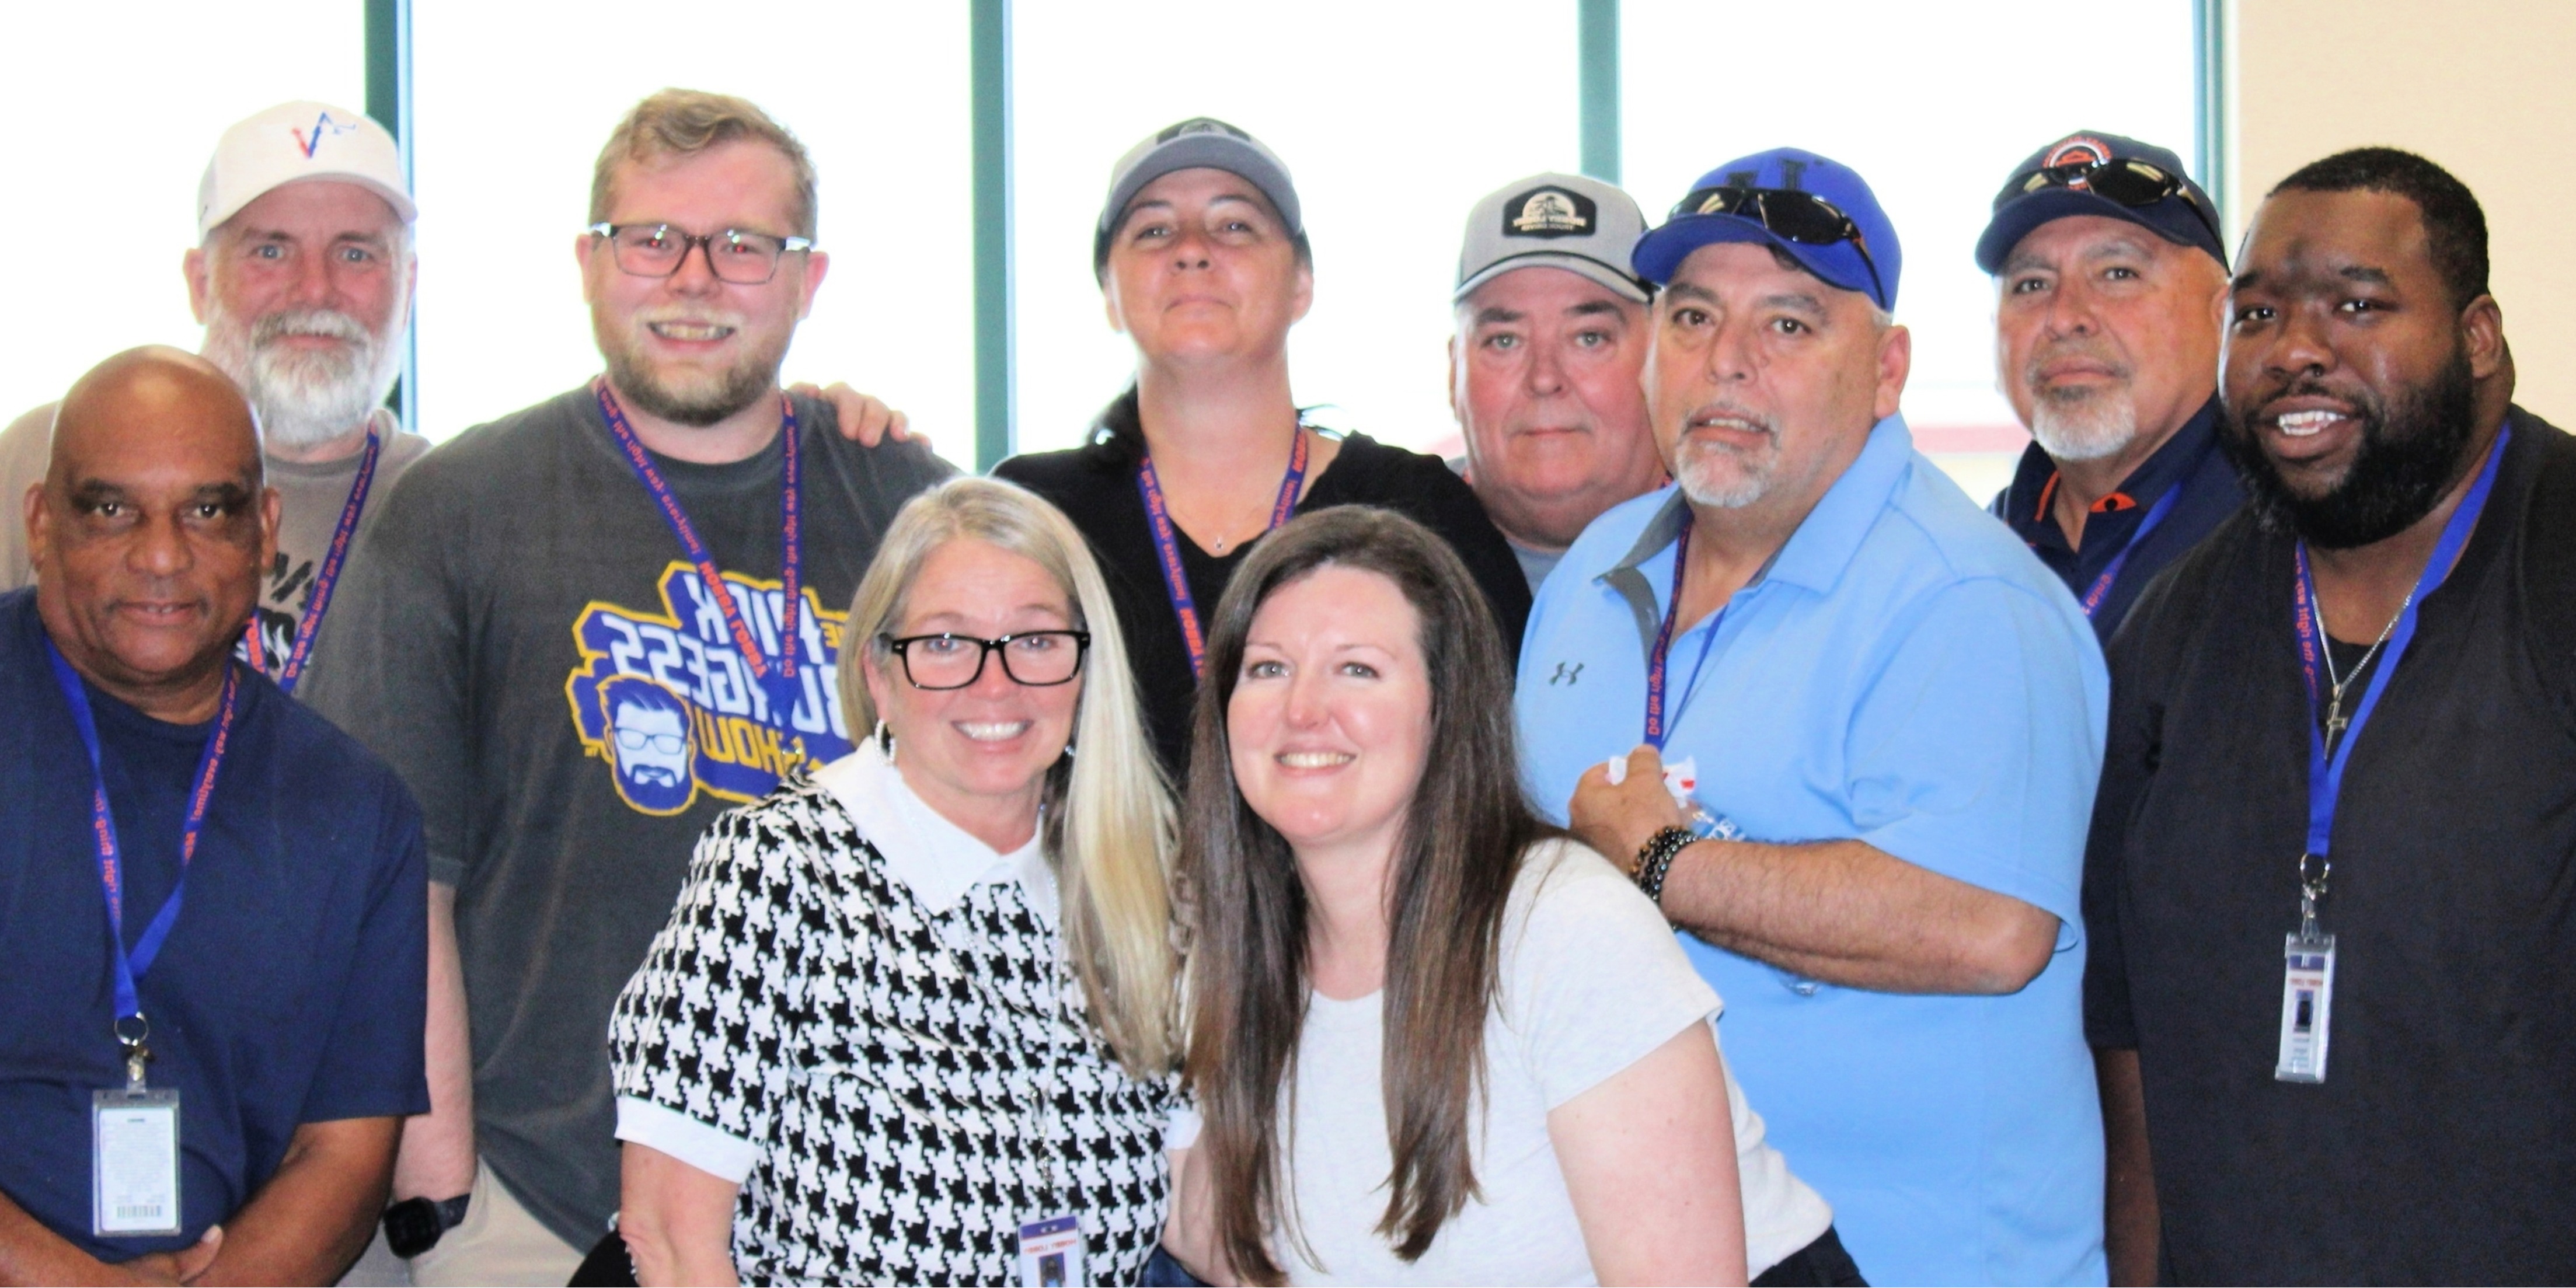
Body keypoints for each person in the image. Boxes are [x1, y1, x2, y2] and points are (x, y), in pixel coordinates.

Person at [297, 89, 954, 1286]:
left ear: (808, 280)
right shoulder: (458, 508)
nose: (694, 278)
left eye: (744, 245)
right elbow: (399, 880)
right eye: (652, 238)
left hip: (863, 1196)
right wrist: (443, 1186)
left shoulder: (909, 505)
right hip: (546, 1201)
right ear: (590, 264)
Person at [1518, 148, 2110, 1285]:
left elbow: (1988, 926)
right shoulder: (1594, 569)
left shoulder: (1966, 600)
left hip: (1913, 1259)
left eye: (1788, 325)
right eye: (1691, 316)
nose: (1727, 360)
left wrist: (1661, 858)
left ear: (1885, 368)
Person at [2084, 148, 2576, 1284]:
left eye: (2356, 303)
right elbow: (2127, 1042)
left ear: (2477, 336)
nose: (2293, 349)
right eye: (2255, 312)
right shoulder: (2174, 627)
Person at [1175, 505, 1857, 1287]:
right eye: (1266, 667)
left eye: (1357, 668)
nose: (1301, 709)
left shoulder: (1567, 928)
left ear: (1446, 708)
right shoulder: (1221, 958)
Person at [609, 477, 1192, 1285]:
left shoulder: (1142, 881)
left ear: (1085, 666)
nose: (997, 683)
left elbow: (1205, 1209)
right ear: (879, 674)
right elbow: (670, 1240)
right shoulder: (776, 872)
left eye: (1035, 639)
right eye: (947, 642)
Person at [0, 348, 426, 1284]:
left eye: (208, 509)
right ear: (40, 522)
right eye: (111, 509)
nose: (161, 555)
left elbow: (346, 1154)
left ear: (265, 529)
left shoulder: (355, 811)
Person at [995, 118, 1528, 774]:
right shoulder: (1036, 513)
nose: (1192, 251)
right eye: (1154, 230)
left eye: (1234, 226)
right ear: (1109, 291)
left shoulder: (1416, 508)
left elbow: (1493, 762)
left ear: (1302, 283)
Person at [1979, 132, 2243, 639]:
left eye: (2117, 273)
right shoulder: (1969, 558)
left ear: (2224, 318)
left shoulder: (2297, 541)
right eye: (2031, 285)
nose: (2066, 317)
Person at [1448, 173, 1669, 595]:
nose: (1545, 378)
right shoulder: (1373, 561)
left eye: (1589, 338)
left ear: (1662, 361)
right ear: (1452, 372)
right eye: (1504, 341)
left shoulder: (1751, 558)